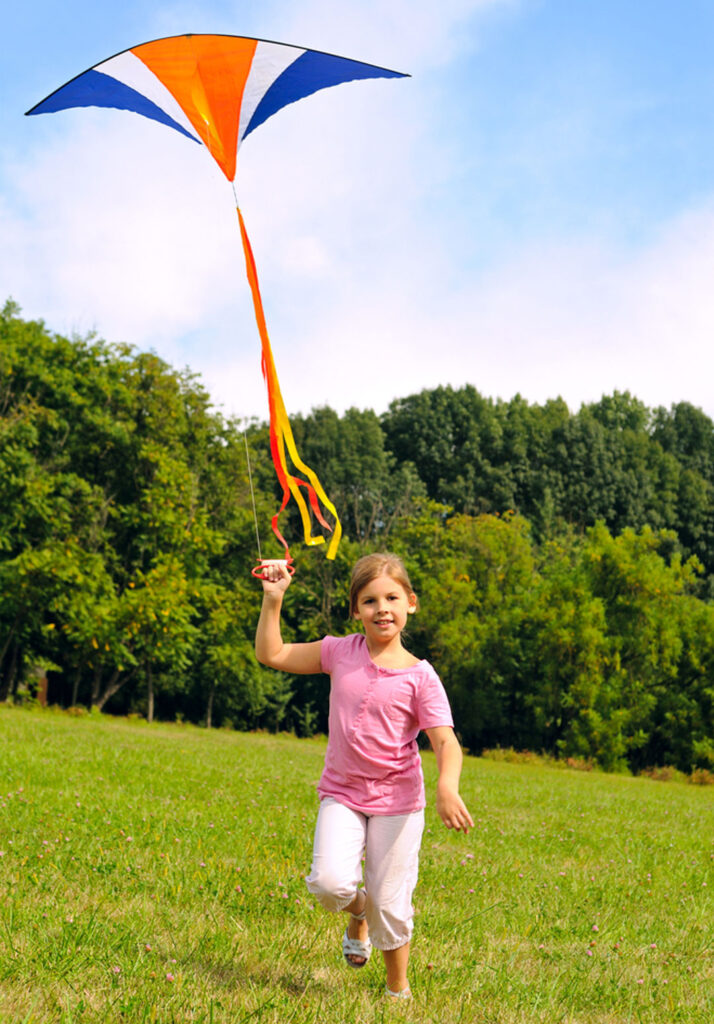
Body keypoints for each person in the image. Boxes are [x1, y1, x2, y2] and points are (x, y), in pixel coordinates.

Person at [254, 552, 473, 1001]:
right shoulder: (340, 651)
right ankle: (359, 912)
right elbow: (271, 653)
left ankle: (397, 992)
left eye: (392, 597)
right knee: (329, 883)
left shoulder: (421, 678)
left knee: (391, 904)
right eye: (369, 601)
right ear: (356, 610)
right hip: (343, 794)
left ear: (411, 602)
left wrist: (447, 786)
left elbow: (446, 742)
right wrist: (273, 599)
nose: (382, 608)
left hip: (398, 804)